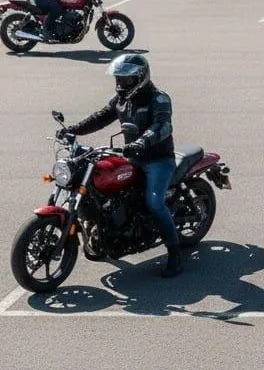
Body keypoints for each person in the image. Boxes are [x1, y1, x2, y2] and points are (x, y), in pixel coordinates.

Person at [59, 54, 183, 278]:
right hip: (131, 158)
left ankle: (175, 254)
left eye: (125, 79)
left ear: (139, 78)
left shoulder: (159, 99)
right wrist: (73, 129)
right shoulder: (121, 99)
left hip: (158, 160)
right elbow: (100, 117)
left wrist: (143, 141)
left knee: (154, 202)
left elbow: (162, 126)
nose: (120, 84)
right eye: (118, 79)